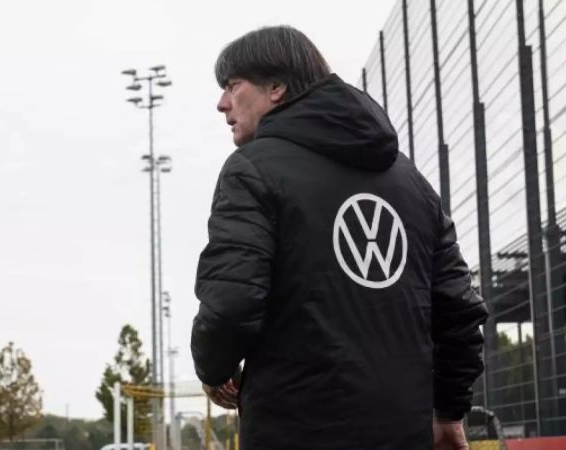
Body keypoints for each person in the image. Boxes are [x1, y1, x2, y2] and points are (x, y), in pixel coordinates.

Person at [190, 25, 488, 450]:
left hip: (294, 428)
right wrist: (449, 412)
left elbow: (232, 301)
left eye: (232, 86)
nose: (222, 104)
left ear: (276, 87)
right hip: (404, 430)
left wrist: (213, 368)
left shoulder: (251, 169)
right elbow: (458, 311)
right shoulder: (413, 184)